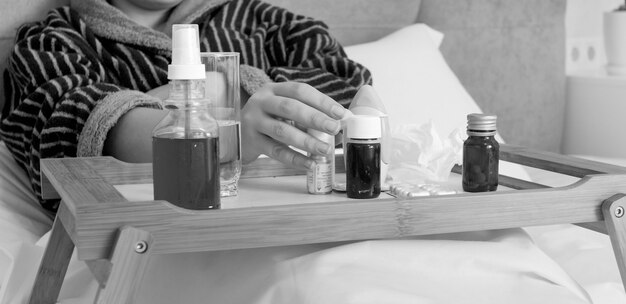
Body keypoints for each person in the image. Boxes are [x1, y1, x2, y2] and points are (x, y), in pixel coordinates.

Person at [0, 0, 372, 211]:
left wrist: (233, 89)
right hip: (154, 245)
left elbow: (348, 93)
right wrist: (228, 133)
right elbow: (69, 122)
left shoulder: (269, 25)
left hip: (303, 220)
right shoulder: (52, 43)